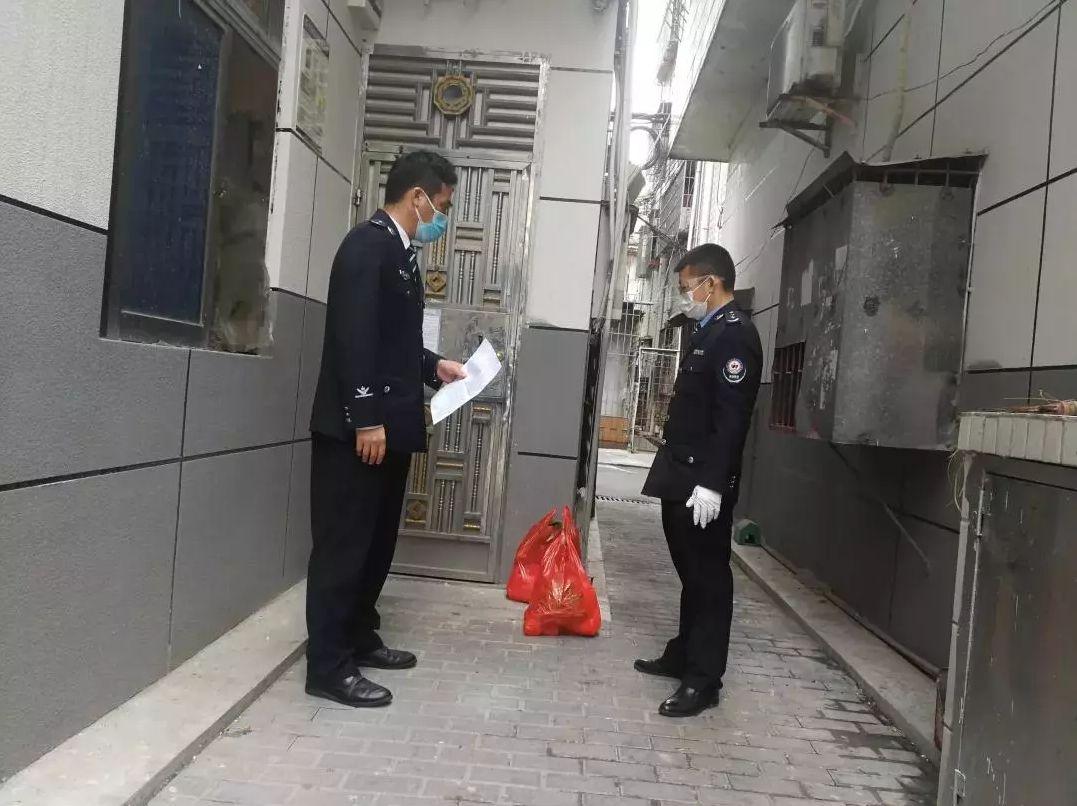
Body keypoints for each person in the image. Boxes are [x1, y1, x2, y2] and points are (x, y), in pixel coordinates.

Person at [306, 150, 466, 708]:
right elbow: (352, 338)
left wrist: (434, 366)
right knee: (343, 548)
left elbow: (392, 341)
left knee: (375, 544)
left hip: (387, 431)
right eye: (442, 205)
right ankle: (328, 666)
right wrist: (367, 418)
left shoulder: (400, 254)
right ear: (417, 196)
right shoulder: (365, 247)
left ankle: (359, 636)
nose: (443, 217)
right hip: (358, 433)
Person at [635, 243, 762, 717]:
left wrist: (713, 483)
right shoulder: (706, 330)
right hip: (680, 473)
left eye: (687, 287)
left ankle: (704, 679)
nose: (684, 295)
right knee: (690, 572)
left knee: (709, 578)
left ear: (712, 283)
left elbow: (731, 419)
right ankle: (684, 653)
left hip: (701, 483)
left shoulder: (736, 335)